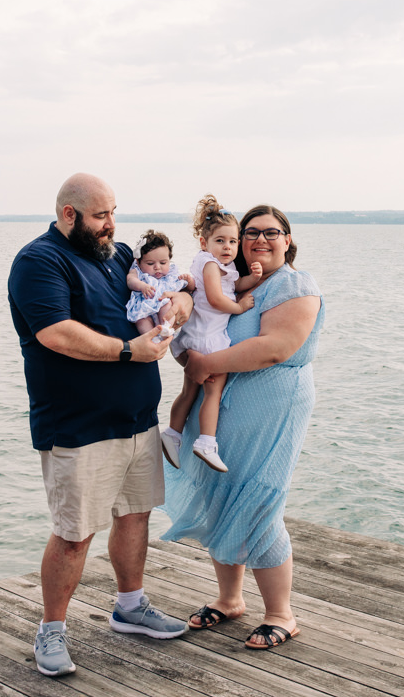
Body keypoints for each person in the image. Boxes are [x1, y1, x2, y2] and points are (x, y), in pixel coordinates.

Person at [7, 173, 193, 677]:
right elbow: (56, 333)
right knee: (74, 533)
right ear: (69, 215)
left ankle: (130, 607)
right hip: (77, 425)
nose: (111, 224)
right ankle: (51, 630)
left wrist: (181, 302)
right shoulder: (39, 261)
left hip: (137, 420)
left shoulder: (119, 255)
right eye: (101, 215)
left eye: (113, 212)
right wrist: (130, 350)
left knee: (135, 515)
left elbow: (175, 287)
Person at [160, 204, 324, 651]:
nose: (259, 240)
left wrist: (204, 364)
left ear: (287, 239)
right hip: (221, 408)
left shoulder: (294, 284)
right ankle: (230, 599)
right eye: (251, 232)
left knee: (259, 498)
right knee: (221, 493)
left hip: (271, 407)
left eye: (271, 232)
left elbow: (276, 347)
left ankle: (281, 614)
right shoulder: (234, 280)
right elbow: (202, 317)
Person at [161, 196, 263, 473]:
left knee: (189, 391)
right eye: (220, 240)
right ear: (204, 242)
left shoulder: (219, 265)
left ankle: (172, 434)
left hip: (199, 334)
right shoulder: (209, 264)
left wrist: (253, 279)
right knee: (213, 391)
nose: (227, 246)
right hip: (207, 337)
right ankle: (206, 442)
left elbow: (233, 285)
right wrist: (239, 307)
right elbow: (217, 298)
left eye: (233, 241)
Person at [125, 229, 192, 338]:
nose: (157, 267)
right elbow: (130, 280)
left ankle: (166, 328)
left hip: (162, 301)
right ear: (138, 262)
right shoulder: (137, 270)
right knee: (141, 319)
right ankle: (151, 337)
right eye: (150, 263)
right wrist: (142, 286)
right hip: (144, 303)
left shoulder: (170, 274)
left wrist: (189, 280)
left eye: (163, 262)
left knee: (167, 306)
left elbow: (190, 288)